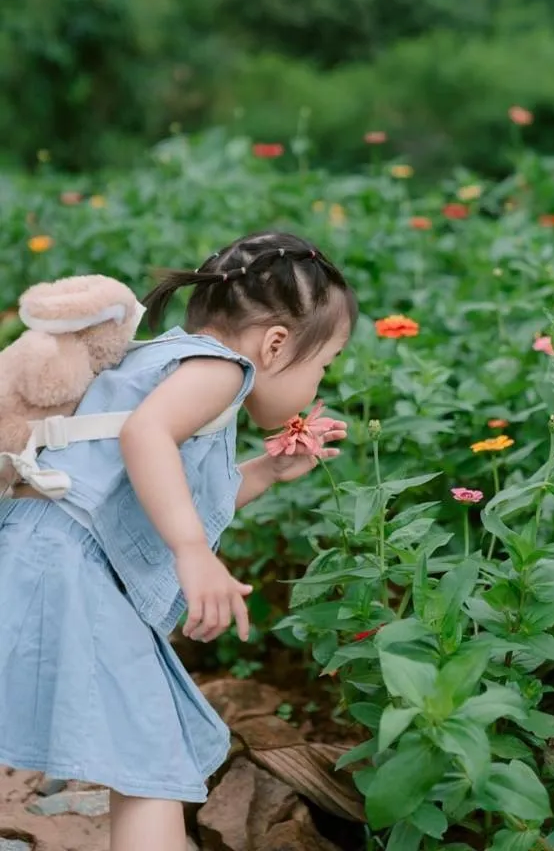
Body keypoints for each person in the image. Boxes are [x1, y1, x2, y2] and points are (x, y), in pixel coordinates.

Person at [0, 231, 357, 851]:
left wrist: (268, 471)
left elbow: (156, 483)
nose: (321, 381)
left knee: (146, 740)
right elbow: (146, 437)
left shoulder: (164, 358)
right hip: (70, 565)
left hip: (38, 547)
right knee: (152, 752)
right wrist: (194, 554)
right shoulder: (223, 371)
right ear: (275, 345)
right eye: (324, 364)